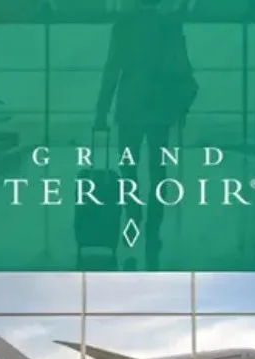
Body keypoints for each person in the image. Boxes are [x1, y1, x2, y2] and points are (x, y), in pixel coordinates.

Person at [93, 0, 197, 269]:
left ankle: (133, 212)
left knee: (128, 164)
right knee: (157, 169)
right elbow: (181, 65)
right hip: (160, 108)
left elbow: (111, 69)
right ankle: (153, 231)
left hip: (129, 106)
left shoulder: (123, 26)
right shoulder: (168, 25)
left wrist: (101, 112)